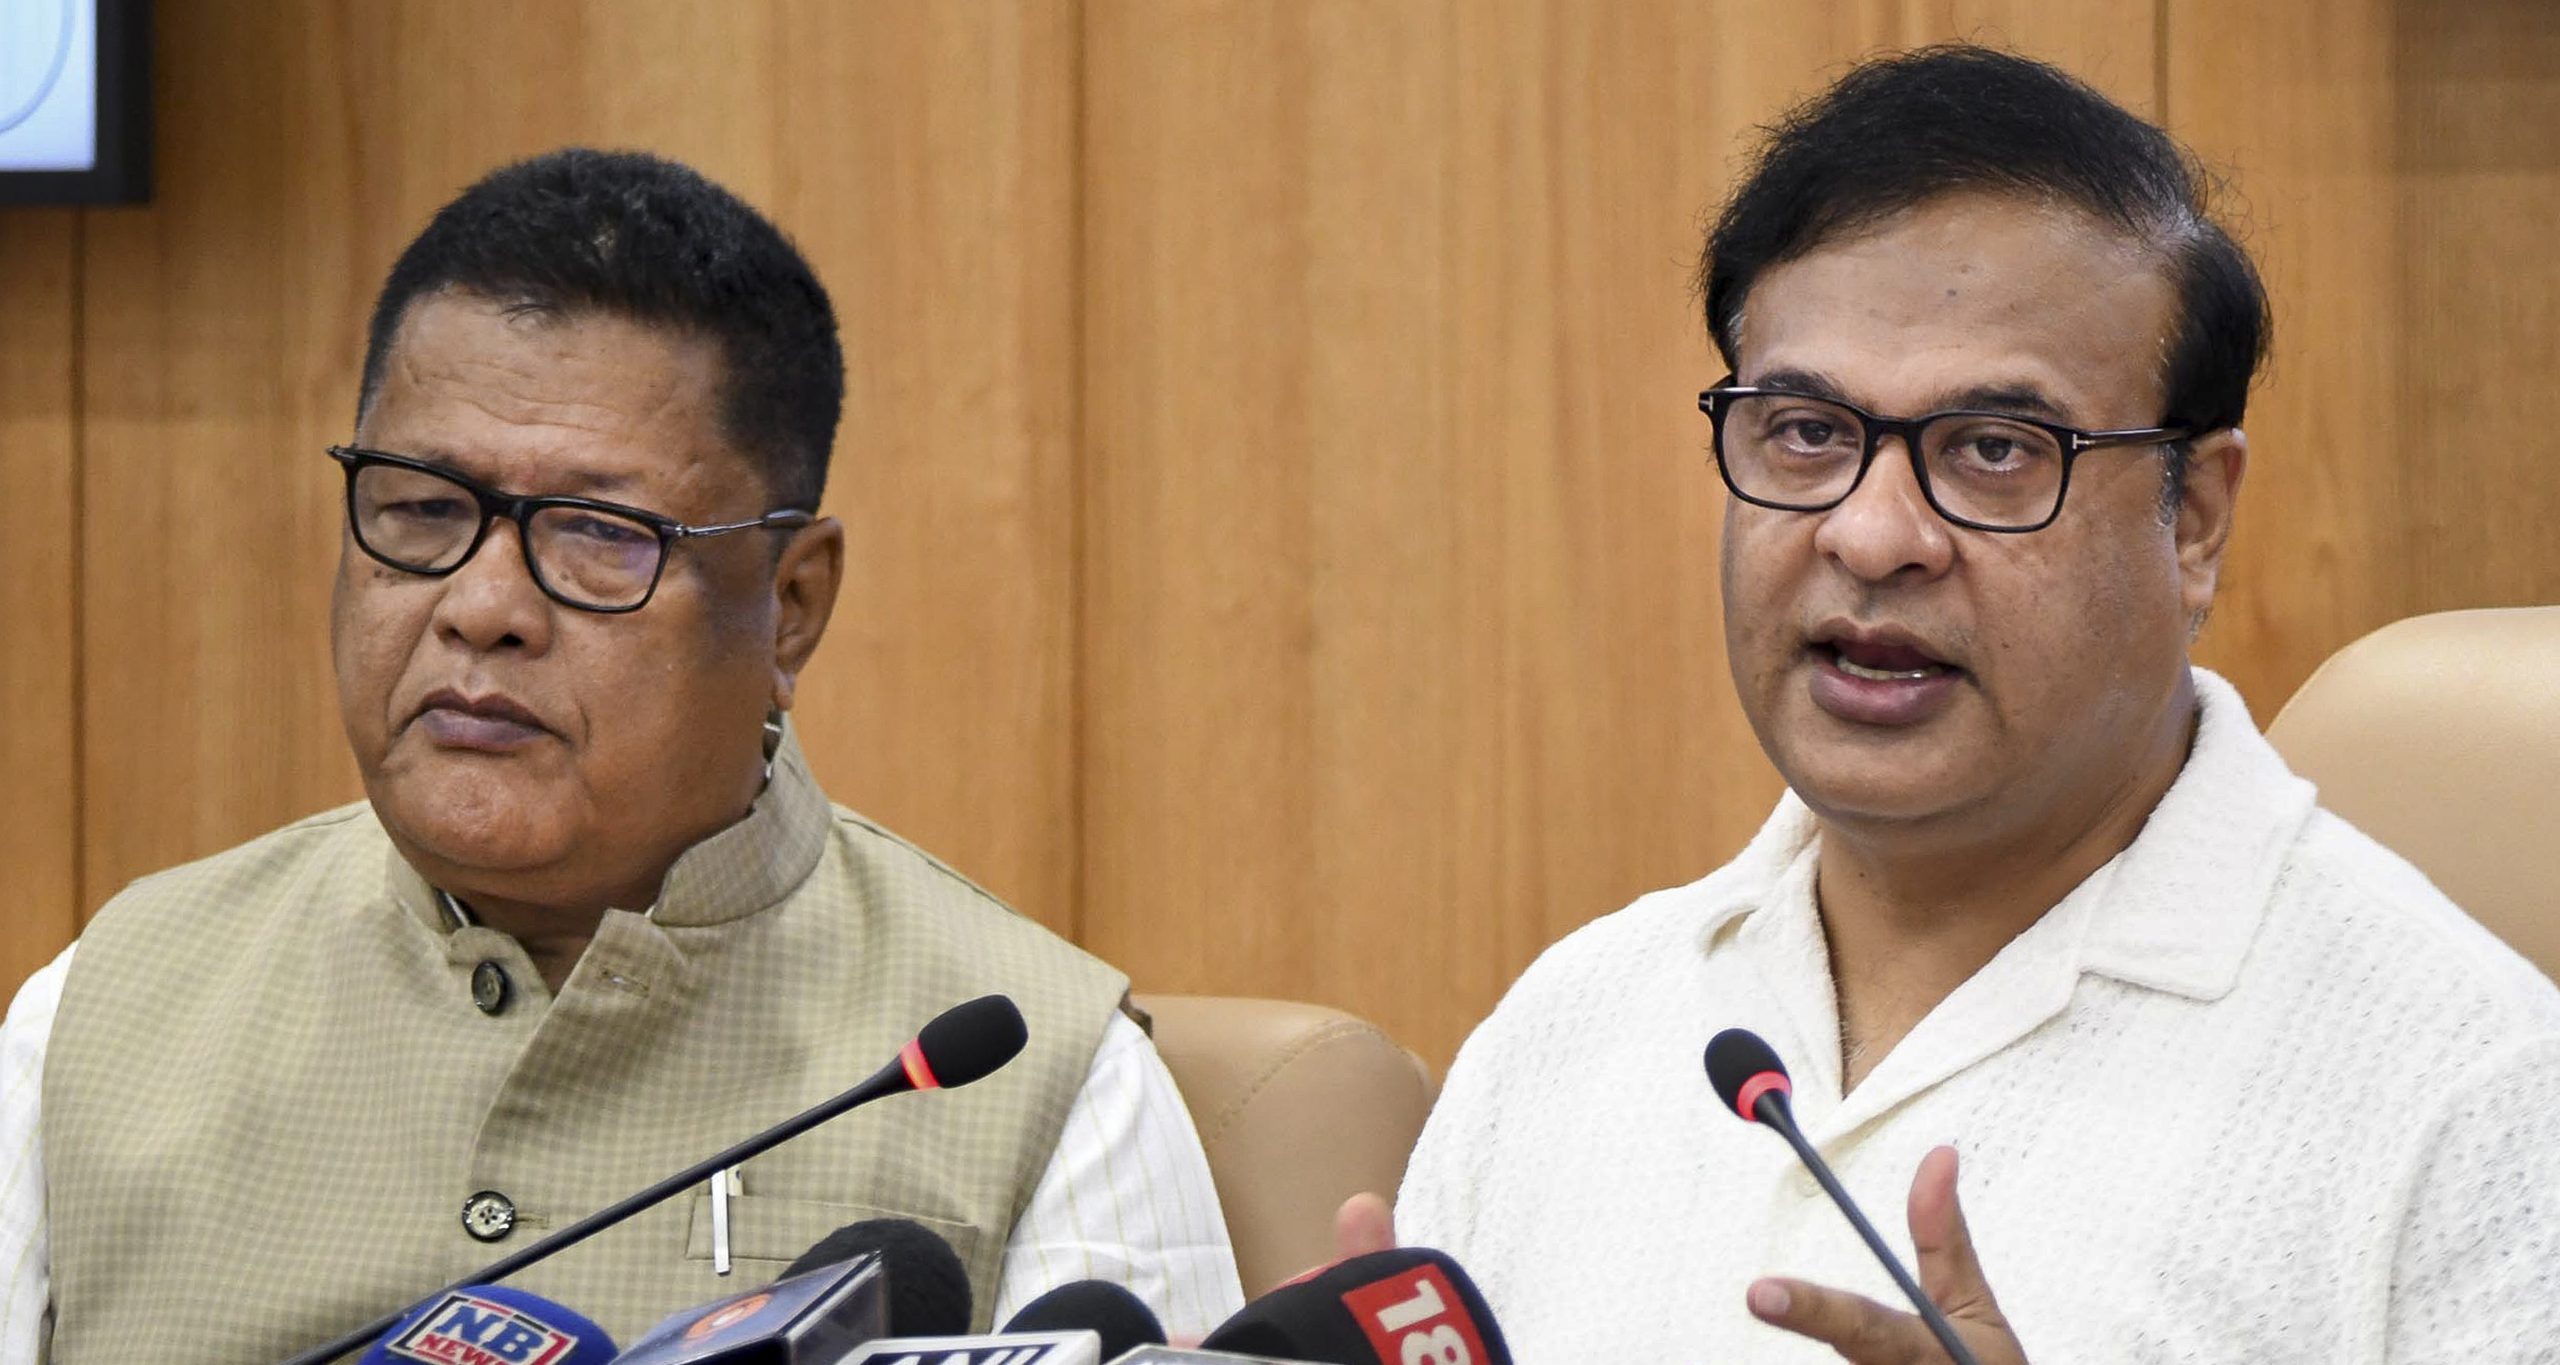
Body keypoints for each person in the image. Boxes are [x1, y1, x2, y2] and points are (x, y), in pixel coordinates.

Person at [1384, 46, 2560, 1363]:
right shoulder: (1571, 1027)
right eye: (1806, 433)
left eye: (1996, 450)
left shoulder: (2469, 1094)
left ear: (2194, 519)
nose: (1872, 535)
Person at [0, 149, 1242, 1363]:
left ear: (792, 605)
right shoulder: (99, 1014)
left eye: (600, 533)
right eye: (423, 508)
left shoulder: (1032, 1080)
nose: (483, 606)